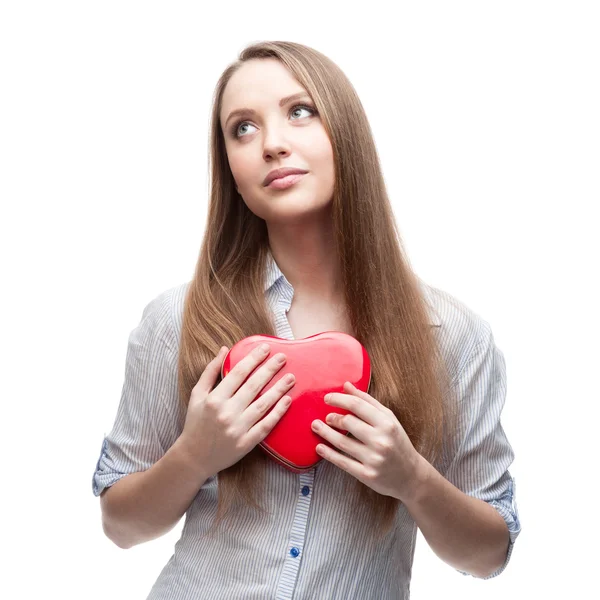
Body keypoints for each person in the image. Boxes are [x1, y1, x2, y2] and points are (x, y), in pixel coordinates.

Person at [92, 40, 521, 599]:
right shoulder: (178, 320)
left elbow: (490, 555)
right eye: (242, 129)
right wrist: (197, 453)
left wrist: (411, 478)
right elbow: (120, 525)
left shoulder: (453, 336)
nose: (272, 144)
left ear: (345, 131)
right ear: (232, 174)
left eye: (300, 112)